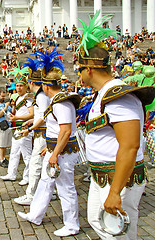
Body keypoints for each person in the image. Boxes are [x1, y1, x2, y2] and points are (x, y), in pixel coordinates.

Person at [77, 11, 153, 239]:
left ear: (89, 69)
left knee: (118, 233)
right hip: (102, 175)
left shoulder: (119, 96)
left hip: (118, 178)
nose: (79, 74)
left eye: (80, 69)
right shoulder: (105, 93)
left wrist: (115, 191)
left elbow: (130, 146)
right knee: (96, 220)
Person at [17, 47, 80, 237]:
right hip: (54, 149)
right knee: (45, 182)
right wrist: (49, 149)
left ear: (45, 86)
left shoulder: (61, 103)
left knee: (65, 188)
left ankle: (72, 224)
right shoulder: (56, 101)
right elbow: (53, 127)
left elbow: (66, 130)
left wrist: (55, 153)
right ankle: (35, 214)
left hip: (63, 152)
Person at [14, 58, 51, 206]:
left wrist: (29, 128)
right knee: (41, 165)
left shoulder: (41, 96)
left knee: (36, 164)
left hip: (42, 134)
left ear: (30, 82)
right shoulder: (40, 96)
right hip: (40, 133)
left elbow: (43, 118)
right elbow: (39, 116)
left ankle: (32, 194)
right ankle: (48, 192)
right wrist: (31, 122)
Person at [0, 67, 34, 186]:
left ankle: (28, 177)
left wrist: (17, 118)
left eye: (21, 86)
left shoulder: (28, 98)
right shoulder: (18, 98)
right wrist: (13, 114)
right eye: (17, 85)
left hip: (25, 129)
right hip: (16, 129)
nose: (19, 88)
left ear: (26, 86)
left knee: (26, 155)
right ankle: (11, 173)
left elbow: (32, 114)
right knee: (14, 152)